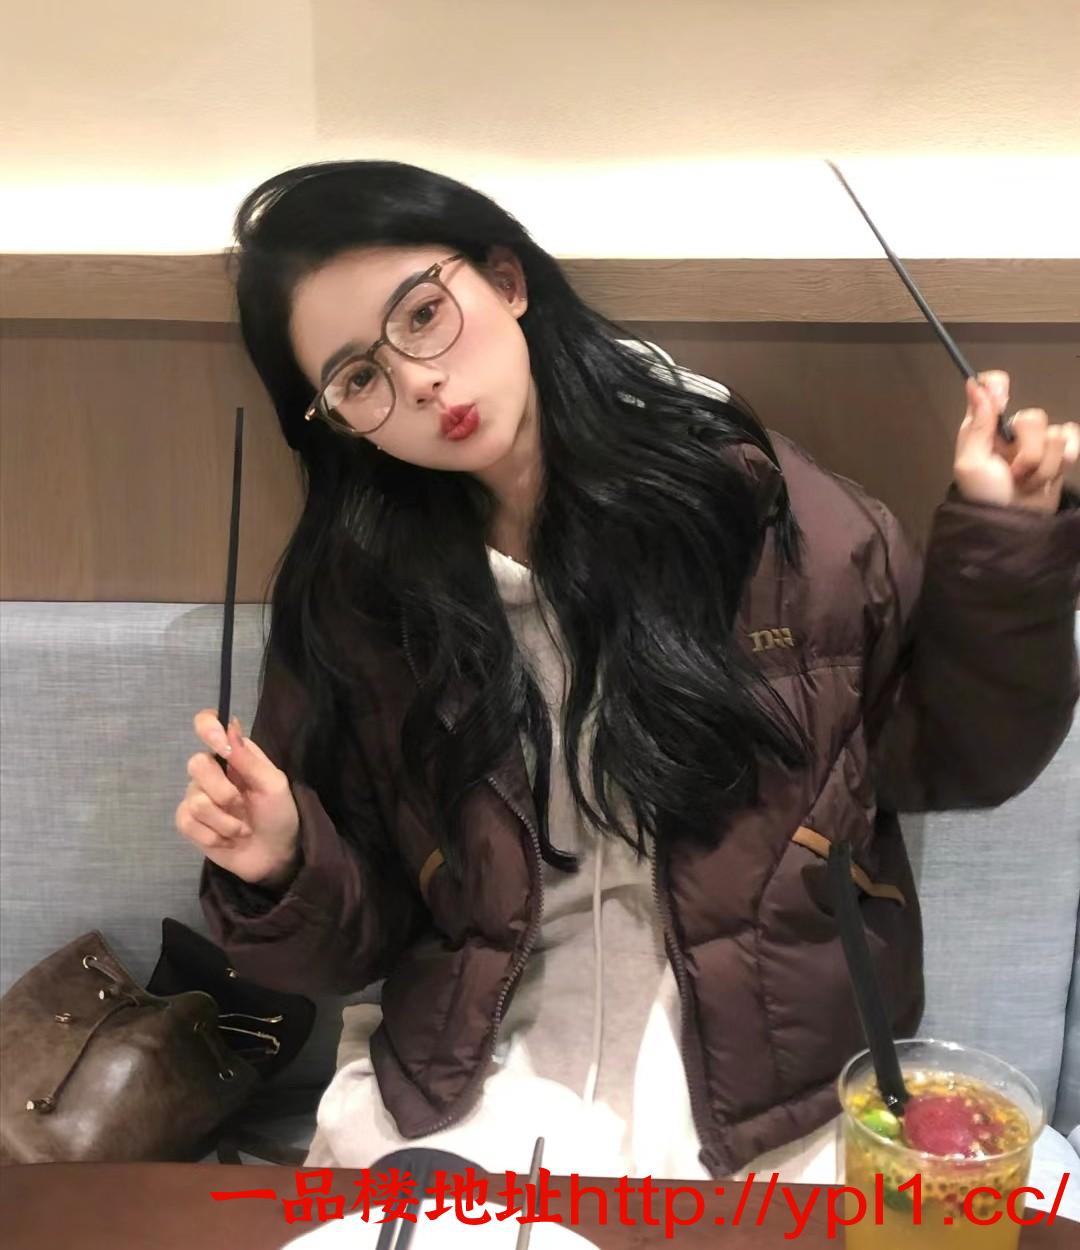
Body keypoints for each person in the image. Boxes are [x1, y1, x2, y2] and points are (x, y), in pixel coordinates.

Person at [176, 160, 1080, 1184]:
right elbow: (350, 949)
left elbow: (957, 755)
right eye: (357, 378)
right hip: (479, 1080)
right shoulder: (361, 600)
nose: (418, 381)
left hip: (774, 1091)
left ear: (506, 279)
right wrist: (284, 859)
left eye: (423, 314)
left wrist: (1008, 540)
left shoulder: (752, 511)